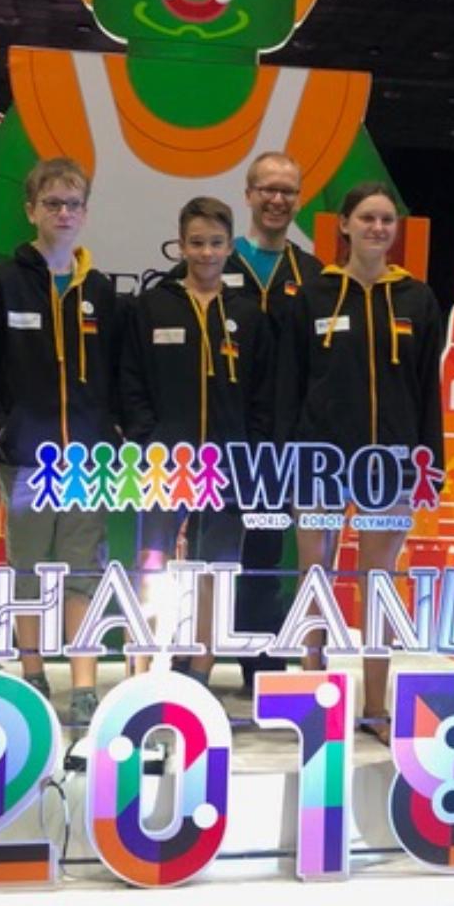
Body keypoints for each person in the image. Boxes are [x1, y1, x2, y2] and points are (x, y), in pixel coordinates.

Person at [275, 180, 444, 741]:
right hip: (318, 464)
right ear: (344, 225)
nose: (377, 228)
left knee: (379, 585)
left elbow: (428, 391)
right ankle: (313, 704)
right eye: (367, 218)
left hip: (390, 467)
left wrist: (428, 465)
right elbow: (289, 385)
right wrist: (287, 461)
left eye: (387, 220)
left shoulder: (418, 300)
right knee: (315, 580)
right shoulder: (312, 296)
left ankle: (375, 707)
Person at [0, 156, 117, 726]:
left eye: (73, 204)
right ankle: (32, 671)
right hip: (25, 460)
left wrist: (113, 433)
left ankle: (84, 684)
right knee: (27, 565)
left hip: (88, 463)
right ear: (31, 211)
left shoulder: (100, 291)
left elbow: (118, 375)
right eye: (52, 204)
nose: (63, 213)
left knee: (83, 568)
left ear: (85, 213)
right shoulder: (0, 286)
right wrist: (3, 425)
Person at [164, 152, 323, 688]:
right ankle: (192, 657)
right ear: (249, 194)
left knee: (264, 553)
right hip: (219, 441)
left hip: (284, 442)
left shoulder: (313, 275)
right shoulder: (213, 261)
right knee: (204, 553)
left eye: (288, 190)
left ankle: (260, 658)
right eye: (267, 189)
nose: (277, 199)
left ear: (298, 199)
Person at [120, 196, 273, 683]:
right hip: (164, 463)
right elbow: (130, 381)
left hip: (228, 466)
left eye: (216, 243)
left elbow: (264, 394)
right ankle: (143, 669)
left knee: (216, 571)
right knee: (151, 563)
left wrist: (250, 451)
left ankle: (200, 672)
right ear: (181, 245)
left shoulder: (249, 315)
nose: (206, 253)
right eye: (197, 243)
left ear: (230, 248)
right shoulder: (152, 307)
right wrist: (149, 440)